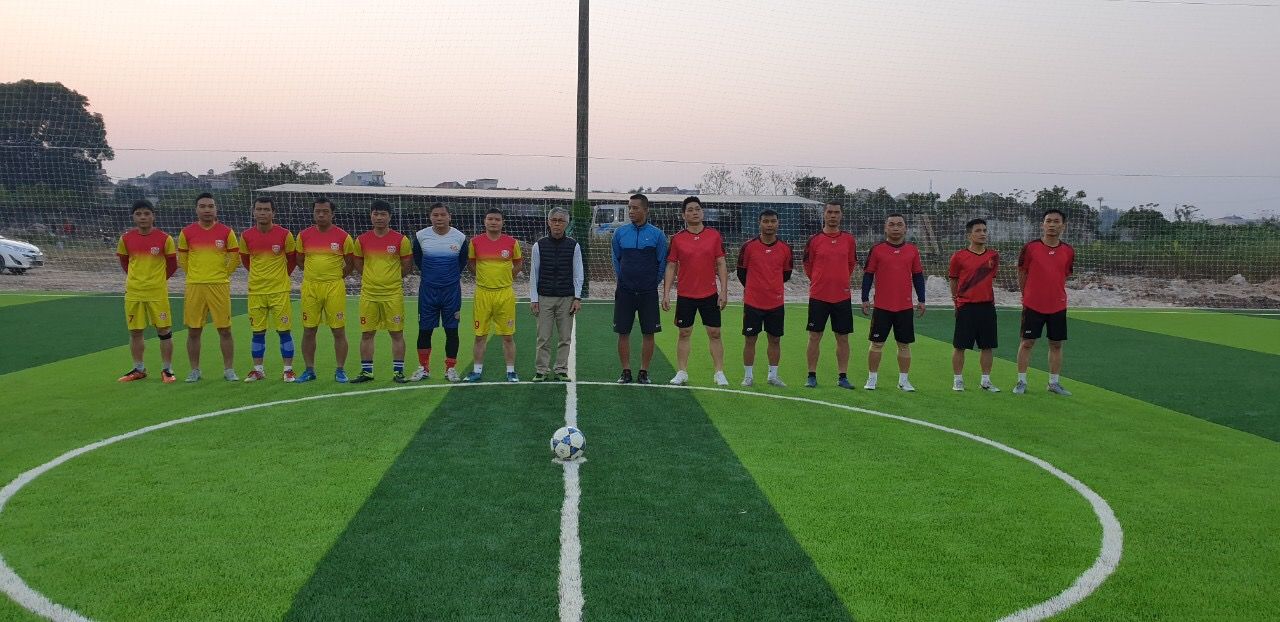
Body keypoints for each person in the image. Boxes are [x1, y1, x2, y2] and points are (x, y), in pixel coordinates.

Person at [663, 196, 729, 386]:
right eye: (690, 210)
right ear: (683, 215)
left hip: (709, 294)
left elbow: (721, 263)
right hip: (686, 295)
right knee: (684, 333)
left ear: (702, 212)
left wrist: (724, 291)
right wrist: (666, 293)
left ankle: (719, 373)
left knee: (715, 333)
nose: (694, 212)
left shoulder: (714, 235)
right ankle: (682, 372)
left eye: (697, 209)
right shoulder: (677, 239)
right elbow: (671, 266)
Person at [861, 213, 926, 391]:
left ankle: (903, 381)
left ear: (905, 228)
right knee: (876, 344)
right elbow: (868, 275)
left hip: (904, 306)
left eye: (899, 224)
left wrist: (922, 299)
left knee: (904, 345)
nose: (895, 228)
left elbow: (918, 276)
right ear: (885, 228)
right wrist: (865, 298)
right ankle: (872, 379)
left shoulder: (912, 250)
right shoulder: (877, 250)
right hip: (882, 306)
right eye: (891, 224)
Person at [177, 192, 239, 382]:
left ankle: (229, 369)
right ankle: (194, 370)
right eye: (203, 206)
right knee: (194, 330)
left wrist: (223, 274)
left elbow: (235, 257)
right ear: (196, 209)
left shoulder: (226, 232)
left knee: (225, 329)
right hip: (195, 286)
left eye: (210, 206)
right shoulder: (186, 232)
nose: (207, 210)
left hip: (219, 286)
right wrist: (194, 275)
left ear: (216, 209)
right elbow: (183, 259)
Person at [351, 200, 414, 383]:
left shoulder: (401, 240)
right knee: (367, 333)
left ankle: (398, 372)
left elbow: (407, 265)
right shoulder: (361, 240)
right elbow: (358, 263)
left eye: (383, 214)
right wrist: (372, 278)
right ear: (371, 216)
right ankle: (367, 372)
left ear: (390, 217)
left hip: (392, 295)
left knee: (396, 333)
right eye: (376, 214)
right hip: (369, 294)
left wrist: (390, 279)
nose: (379, 217)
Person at [116, 200, 178, 383]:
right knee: (135, 331)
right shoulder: (126, 239)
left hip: (157, 293)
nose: (143, 217)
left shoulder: (165, 238)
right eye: (138, 214)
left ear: (153, 216)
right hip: (134, 292)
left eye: (146, 213)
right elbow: (125, 262)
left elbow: (172, 265)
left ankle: (167, 370)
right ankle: (139, 368)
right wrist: (136, 279)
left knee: (164, 331)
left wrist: (157, 280)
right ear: (133, 217)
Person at [1015, 209, 1075, 396]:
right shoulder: (1030, 248)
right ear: (1042, 225)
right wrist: (1026, 295)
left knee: (1056, 344)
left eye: (1056, 221)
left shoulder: (1068, 251)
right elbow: (1022, 272)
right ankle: (1021, 381)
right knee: (1027, 342)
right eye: (1048, 221)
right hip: (1033, 304)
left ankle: (1053, 383)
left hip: (1057, 305)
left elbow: (1064, 274)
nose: (1052, 224)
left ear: (1063, 226)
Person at [238, 197, 298, 382]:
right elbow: (246, 261)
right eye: (259, 209)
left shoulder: (285, 235)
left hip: (279, 291)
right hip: (256, 291)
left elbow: (292, 260)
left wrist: (279, 278)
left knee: (284, 331)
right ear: (253, 212)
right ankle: (258, 370)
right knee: (257, 332)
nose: (262, 213)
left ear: (273, 213)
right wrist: (259, 277)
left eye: (266, 209)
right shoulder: (246, 236)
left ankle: (288, 370)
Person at [296, 197, 355, 383]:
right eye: (317, 211)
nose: (321, 215)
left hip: (334, 287)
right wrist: (315, 275)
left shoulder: (343, 237)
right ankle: (309, 370)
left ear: (332, 214)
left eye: (325, 211)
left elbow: (350, 263)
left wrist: (334, 277)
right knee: (309, 330)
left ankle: (340, 370)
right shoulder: (303, 235)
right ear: (313, 213)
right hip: (310, 287)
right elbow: (300, 261)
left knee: (338, 330)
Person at [611, 193, 667, 384]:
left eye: (635, 208)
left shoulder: (657, 235)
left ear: (646, 210)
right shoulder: (620, 233)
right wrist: (623, 280)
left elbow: (662, 263)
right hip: (625, 291)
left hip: (648, 292)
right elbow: (616, 260)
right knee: (623, 332)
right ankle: (626, 371)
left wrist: (651, 283)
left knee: (648, 333)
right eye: (629, 208)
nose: (631, 211)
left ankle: (644, 372)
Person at [410, 203, 468, 382]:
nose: (439, 218)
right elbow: (418, 260)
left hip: (451, 292)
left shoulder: (460, 237)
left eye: (443, 215)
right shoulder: (421, 236)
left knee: (452, 331)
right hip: (428, 291)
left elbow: (462, 262)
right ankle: (423, 368)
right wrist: (432, 276)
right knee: (424, 330)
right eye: (435, 215)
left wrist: (448, 278)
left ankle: (450, 369)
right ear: (430, 217)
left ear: (450, 216)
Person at [803, 201, 857, 389]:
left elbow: (851, 264)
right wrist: (820, 280)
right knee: (814, 336)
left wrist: (839, 279)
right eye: (830, 212)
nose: (833, 215)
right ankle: (811, 375)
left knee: (843, 338)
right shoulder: (814, 240)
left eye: (836, 212)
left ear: (841, 215)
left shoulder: (849, 239)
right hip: (819, 296)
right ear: (824, 214)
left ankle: (843, 377)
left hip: (842, 296)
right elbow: (808, 265)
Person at [465, 208, 523, 382]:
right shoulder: (475, 242)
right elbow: (471, 264)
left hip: (504, 294)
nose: (493, 222)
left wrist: (506, 278)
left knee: (508, 336)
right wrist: (484, 278)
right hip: (483, 294)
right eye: (490, 219)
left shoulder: (512, 242)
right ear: (485, 221)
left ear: (502, 222)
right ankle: (476, 371)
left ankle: (511, 371)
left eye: (497, 219)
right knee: (480, 335)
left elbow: (518, 264)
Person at [737, 209, 792, 387]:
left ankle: (773, 376)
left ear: (778, 223)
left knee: (775, 339)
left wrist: (771, 287)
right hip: (753, 302)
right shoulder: (748, 247)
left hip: (775, 302)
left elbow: (786, 274)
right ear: (759, 223)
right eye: (766, 221)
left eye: (773, 221)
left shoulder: (785, 248)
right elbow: (741, 272)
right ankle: (748, 376)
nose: (769, 225)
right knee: (750, 339)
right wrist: (755, 288)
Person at [528, 207, 583, 382]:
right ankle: (541, 370)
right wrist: (534, 299)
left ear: (567, 223)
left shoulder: (574, 246)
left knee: (565, 338)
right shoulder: (538, 245)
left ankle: (561, 369)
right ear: (548, 222)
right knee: (543, 337)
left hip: (567, 298)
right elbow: (534, 274)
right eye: (554, 220)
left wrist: (577, 298)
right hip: (544, 298)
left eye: (561, 221)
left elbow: (578, 273)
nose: (557, 224)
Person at [948, 218, 1001, 392]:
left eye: (984, 230)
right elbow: (953, 280)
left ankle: (986, 381)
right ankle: (958, 380)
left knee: (987, 346)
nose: (982, 234)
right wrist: (956, 301)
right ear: (969, 235)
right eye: (978, 231)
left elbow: (990, 279)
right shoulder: (958, 256)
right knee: (960, 346)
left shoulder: (993, 256)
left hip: (987, 307)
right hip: (966, 307)